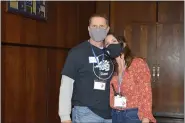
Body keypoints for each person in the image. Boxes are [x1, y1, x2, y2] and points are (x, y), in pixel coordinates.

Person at [58, 14, 114, 123]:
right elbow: (66, 85)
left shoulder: (112, 52)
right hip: (86, 113)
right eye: (94, 26)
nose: (98, 29)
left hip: (110, 114)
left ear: (107, 29)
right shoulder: (77, 53)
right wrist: (65, 117)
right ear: (89, 29)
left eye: (101, 26)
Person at [104, 33, 156, 123]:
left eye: (114, 41)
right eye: (107, 44)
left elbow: (146, 93)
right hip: (116, 115)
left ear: (123, 44)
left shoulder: (137, 63)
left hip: (133, 115)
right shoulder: (112, 68)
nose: (111, 45)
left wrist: (146, 118)